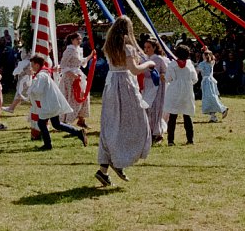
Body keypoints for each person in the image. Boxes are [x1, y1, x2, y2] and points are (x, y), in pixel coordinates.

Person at [95, 15, 155, 186]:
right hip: (124, 86)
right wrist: (149, 64)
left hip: (110, 86)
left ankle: (106, 169)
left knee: (112, 126)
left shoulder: (109, 46)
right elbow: (134, 70)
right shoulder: (127, 47)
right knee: (137, 123)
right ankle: (118, 162)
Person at [28, 55, 87, 150]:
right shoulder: (43, 74)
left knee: (41, 123)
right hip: (51, 103)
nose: (31, 67)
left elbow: (38, 90)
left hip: (49, 104)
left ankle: (48, 145)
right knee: (56, 124)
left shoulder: (41, 75)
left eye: (32, 65)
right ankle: (78, 133)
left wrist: (30, 88)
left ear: (37, 65)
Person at [163, 44, 199, 146]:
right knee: (187, 115)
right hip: (187, 92)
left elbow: (168, 78)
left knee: (173, 116)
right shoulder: (190, 64)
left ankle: (170, 140)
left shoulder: (172, 64)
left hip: (174, 92)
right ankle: (190, 139)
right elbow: (195, 79)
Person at [58, 32, 90, 128]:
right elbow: (63, 65)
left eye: (80, 39)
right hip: (70, 78)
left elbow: (81, 62)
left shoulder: (78, 50)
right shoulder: (69, 51)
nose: (79, 41)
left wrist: (91, 55)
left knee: (83, 95)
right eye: (77, 39)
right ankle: (67, 120)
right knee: (72, 97)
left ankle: (81, 119)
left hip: (78, 75)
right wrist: (72, 75)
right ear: (72, 40)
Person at [141, 38, 167, 142]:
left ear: (155, 47)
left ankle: (158, 133)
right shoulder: (144, 59)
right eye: (145, 47)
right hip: (147, 85)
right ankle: (149, 131)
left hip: (157, 86)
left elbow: (165, 71)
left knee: (156, 109)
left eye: (149, 47)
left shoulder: (159, 59)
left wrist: (162, 75)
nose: (146, 49)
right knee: (147, 108)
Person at [198, 49, 229, 122]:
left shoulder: (202, 64)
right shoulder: (212, 62)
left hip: (207, 82)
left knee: (210, 97)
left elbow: (197, 70)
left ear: (205, 56)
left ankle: (223, 109)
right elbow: (211, 56)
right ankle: (213, 117)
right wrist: (206, 50)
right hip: (211, 81)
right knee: (209, 98)